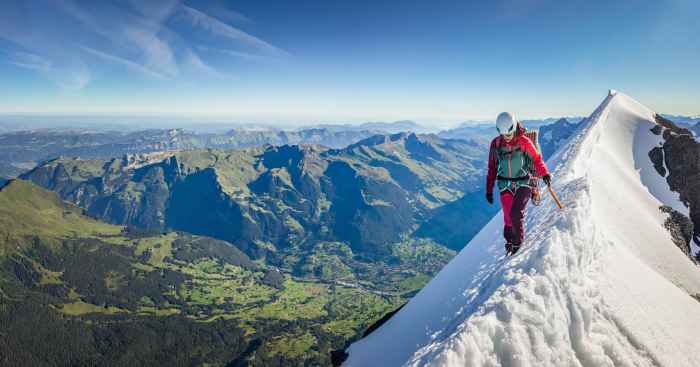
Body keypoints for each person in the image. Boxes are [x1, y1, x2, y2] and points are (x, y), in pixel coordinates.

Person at [485, 112, 551, 255]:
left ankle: (518, 244)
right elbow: (492, 167)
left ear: (514, 127)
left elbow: (536, 159)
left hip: (524, 182)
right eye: (504, 135)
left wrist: (545, 174)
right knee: (508, 218)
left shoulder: (524, 142)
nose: (507, 138)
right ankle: (509, 241)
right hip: (504, 184)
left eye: (509, 134)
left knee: (516, 213)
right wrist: (489, 190)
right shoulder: (496, 144)